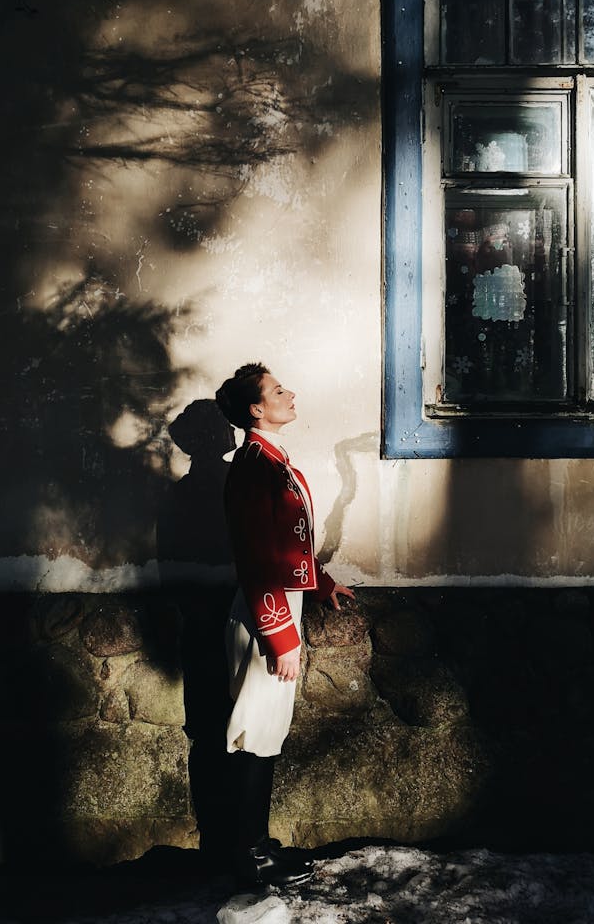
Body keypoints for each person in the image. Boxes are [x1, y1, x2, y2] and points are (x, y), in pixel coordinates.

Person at [215, 363, 355, 887]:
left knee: (268, 729)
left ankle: (257, 844)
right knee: (255, 731)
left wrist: (320, 583)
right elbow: (256, 557)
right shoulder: (255, 466)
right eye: (277, 390)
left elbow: (287, 541)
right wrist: (280, 637)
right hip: (263, 614)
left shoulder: (271, 461)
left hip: (279, 605)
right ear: (256, 409)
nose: (289, 393)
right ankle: (250, 856)